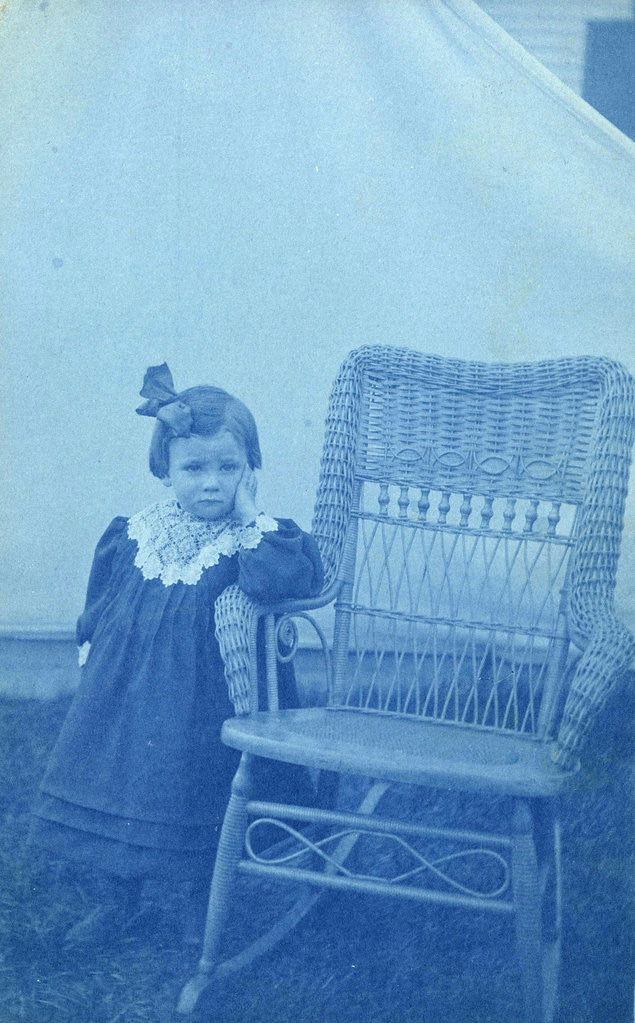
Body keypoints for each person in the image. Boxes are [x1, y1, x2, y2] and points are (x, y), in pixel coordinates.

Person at [30, 363, 324, 947]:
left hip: (208, 702)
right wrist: (93, 650)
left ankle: (199, 902)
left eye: (228, 468)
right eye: (194, 468)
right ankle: (119, 898)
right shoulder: (136, 533)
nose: (211, 483)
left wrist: (249, 518)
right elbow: (102, 600)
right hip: (127, 698)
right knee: (121, 784)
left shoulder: (256, 537)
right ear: (165, 469)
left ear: (249, 470)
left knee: (197, 794)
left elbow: (281, 583)